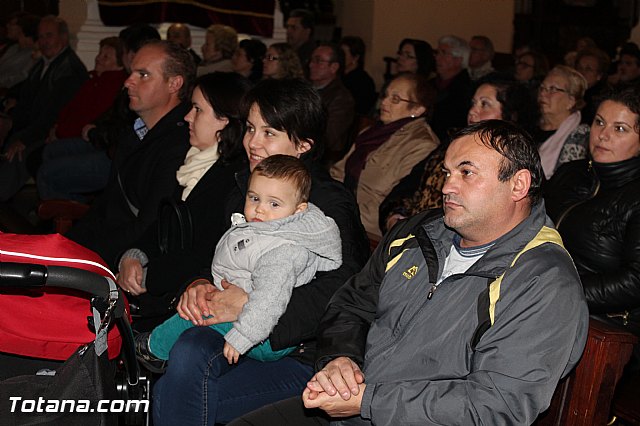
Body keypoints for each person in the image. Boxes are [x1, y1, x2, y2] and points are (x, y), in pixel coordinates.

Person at [229, 119, 590, 426]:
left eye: (467, 173)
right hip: (357, 404)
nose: (447, 185)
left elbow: (498, 405)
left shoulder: (542, 281)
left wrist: (370, 401)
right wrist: (341, 359)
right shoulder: (421, 232)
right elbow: (352, 305)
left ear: (518, 185)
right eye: (448, 172)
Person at [151, 78, 370, 425]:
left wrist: (255, 307)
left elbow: (345, 290)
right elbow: (218, 258)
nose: (252, 142)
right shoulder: (245, 189)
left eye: (269, 133)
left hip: (301, 349)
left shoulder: (327, 203)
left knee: (176, 390)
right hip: (237, 332)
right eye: (251, 128)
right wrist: (198, 285)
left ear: (302, 145)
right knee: (187, 356)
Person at [136, 155, 342, 369]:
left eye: (274, 203)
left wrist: (243, 336)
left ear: (299, 210)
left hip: (264, 335)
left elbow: (269, 300)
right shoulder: (267, 227)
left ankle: (152, 349)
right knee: (199, 309)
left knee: (194, 316)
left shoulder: (282, 250)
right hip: (251, 318)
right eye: (254, 198)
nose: (260, 209)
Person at [117, 72, 251, 331]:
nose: (188, 116)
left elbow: (205, 251)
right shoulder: (198, 161)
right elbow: (163, 224)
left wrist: (148, 275)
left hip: (191, 298)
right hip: (169, 288)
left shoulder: (233, 179)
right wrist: (134, 255)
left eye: (198, 110)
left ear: (224, 120)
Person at [65, 40, 195, 269]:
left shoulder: (181, 143)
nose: (127, 82)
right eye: (130, 72)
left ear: (174, 84)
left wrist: (84, 258)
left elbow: (148, 225)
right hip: (105, 247)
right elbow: (106, 205)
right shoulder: (135, 132)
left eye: (143, 75)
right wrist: (66, 246)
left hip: (128, 262)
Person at [544, 84, 640, 355]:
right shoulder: (571, 173)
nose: (602, 135)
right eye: (599, 122)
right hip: (540, 295)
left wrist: (559, 292)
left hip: (602, 321)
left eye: (620, 128)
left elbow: (636, 280)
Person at [380, 77, 538, 234]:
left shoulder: (519, 161)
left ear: (511, 115)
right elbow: (406, 189)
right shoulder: (451, 146)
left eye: (485, 104)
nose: (473, 111)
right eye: (473, 103)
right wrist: (396, 218)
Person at [330, 72, 439, 238]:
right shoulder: (371, 132)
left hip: (368, 230)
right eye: (385, 95)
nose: (384, 102)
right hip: (340, 211)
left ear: (417, 109)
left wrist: (339, 212)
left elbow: (390, 202)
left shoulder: (423, 145)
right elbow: (337, 172)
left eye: (395, 99)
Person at [0, 15, 88, 202]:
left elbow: (53, 114)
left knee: (16, 153)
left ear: (63, 38)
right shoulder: (43, 64)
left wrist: (24, 138)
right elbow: (26, 100)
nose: (43, 42)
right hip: (32, 127)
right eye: (40, 37)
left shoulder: (69, 70)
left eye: (49, 36)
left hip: (50, 134)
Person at [35, 36, 127, 202]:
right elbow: (70, 108)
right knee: (49, 152)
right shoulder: (93, 79)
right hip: (92, 136)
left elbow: (92, 118)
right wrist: (56, 127)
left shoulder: (114, 84)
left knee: (46, 170)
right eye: (100, 53)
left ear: (120, 63)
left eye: (106, 56)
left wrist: (61, 133)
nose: (98, 58)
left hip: (101, 144)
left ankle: (70, 215)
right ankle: (63, 207)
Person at [535, 65, 589, 179]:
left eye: (553, 89)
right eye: (542, 88)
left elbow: (567, 182)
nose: (543, 94)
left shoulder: (579, 134)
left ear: (571, 101)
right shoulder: (529, 125)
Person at [309, 43, 356, 164]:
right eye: (312, 60)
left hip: (322, 159)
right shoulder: (307, 88)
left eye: (318, 61)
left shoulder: (342, 98)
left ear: (334, 67)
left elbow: (329, 138)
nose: (311, 65)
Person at [429, 35, 474, 142]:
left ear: (459, 60)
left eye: (444, 53)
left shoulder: (467, 90)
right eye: (437, 52)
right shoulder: (429, 84)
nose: (437, 57)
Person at [0, 12, 39, 91]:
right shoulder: (13, 48)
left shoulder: (33, 54)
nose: (7, 26)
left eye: (12, 24)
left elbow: (23, 76)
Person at [339, 36, 376, 116]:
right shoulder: (337, 76)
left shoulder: (363, 82)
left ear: (355, 58)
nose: (339, 57)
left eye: (343, 54)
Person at [574, 47, 610, 125]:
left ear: (599, 75)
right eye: (579, 68)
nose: (581, 72)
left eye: (588, 69)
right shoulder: (573, 92)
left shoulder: (601, 99)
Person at [285, 8, 315, 73]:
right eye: (287, 27)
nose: (288, 32)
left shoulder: (312, 56)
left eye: (294, 27)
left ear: (307, 31)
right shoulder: (285, 49)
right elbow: (276, 58)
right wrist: (268, 57)